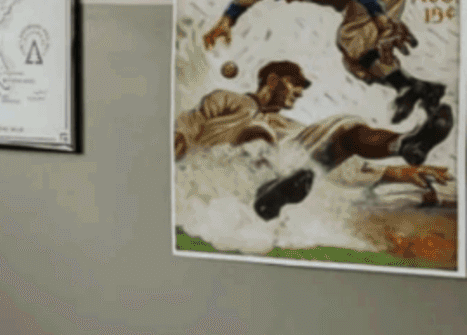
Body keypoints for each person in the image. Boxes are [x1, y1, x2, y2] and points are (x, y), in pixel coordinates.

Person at [174, 59, 454, 219]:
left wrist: (397, 172)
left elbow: (343, 165)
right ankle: (269, 191)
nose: (298, 94)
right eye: (293, 85)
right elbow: (192, 120)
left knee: (343, 129)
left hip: (267, 177)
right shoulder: (230, 100)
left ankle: (406, 144)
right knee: (262, 133)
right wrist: (180, 138)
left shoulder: (287, 125)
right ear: (272, 81)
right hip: (218, 171)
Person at [201, 0, 444, 124]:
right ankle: (417, 88)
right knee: (355, 63)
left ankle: (408, 88)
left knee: (351, 40)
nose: (289, 0)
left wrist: (381, 19)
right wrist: (226, 20)